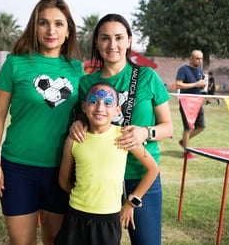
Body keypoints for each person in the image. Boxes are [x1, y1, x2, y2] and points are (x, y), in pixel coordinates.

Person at [0, 0, 83, 245]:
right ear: (34, 27)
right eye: (44, 23)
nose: (51, 30)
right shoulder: (15, 64)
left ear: (68, 30)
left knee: (54, 240)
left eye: (59, 24)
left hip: (61, 169)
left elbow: (87, 113)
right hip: (18, 168)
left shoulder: (77, 69)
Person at [69, 14, 173, 245]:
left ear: (129, 40)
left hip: (140, 176)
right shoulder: (86, 83)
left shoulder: (147, 76)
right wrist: (77, 123)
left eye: (118, 37)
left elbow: (167, 127)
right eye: (105, 38)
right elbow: (84, 120)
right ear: (97, 42)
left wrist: (146, 132)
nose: (112, 45)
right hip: (99, 180)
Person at [55, 82, 159, 245]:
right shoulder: (74, 139)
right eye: (93, 101)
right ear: (84, 106)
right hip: (75, 216)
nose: (100, 108)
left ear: (118, 110)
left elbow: (153, 169)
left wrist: (132, 202)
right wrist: (85, 198)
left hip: (108, 219)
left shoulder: (124, 136)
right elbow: (63, 181)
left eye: (108, 103)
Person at [175, 50, 207, 160]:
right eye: (197, 58)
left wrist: (201, 86)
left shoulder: (199, 70)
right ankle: (186, 152)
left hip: (197, 101)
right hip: (186, 101)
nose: (200, 61)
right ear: (191, 58)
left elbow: (197, 85)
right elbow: (178, 85)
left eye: (201, 58)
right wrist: (196, 84)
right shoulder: (183, 69)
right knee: (188, 128)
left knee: (201, 126)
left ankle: (184, 141)